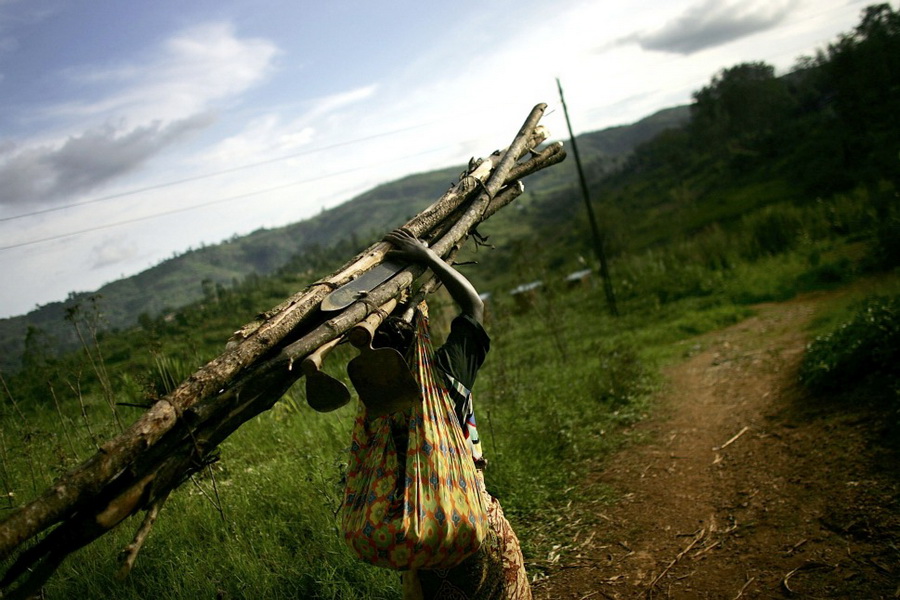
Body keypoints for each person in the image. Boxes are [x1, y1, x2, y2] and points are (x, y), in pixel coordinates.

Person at [382, 228, 532, 600]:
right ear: (419, 334)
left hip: (423, 539)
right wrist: (428, 257)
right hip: (474, 521)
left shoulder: (379, 401)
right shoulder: (446, 373)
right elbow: (473, 308)